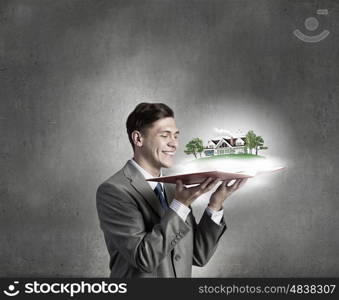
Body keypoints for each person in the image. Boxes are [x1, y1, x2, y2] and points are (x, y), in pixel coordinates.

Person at [96, 102, 246, 278]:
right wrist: (180, 205)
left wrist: (215, 204)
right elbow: (145, 259)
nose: (174, 144)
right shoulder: (114, 191)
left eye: (175, 136)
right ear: (138, 139)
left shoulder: (173, 187)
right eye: (165, 135)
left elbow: (199, 254)